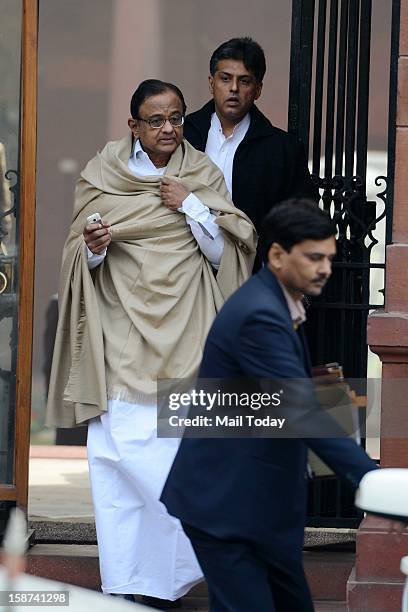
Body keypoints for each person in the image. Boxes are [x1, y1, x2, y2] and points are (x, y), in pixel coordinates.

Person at [46, 79, 256, 609]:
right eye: (156, 120)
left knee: (177, 458)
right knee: (119, 460)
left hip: (187, 328)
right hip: (121, 331)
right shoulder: (104, 173)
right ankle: (129, 578)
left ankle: (173, 579)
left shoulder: (201, 172)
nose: (168, 130)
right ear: (134, 125)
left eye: (177, 118)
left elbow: (225, 252)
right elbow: (81, 255)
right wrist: (94, 249)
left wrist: (191, 205)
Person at [161, 199, 378, 612]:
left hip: (259, 506)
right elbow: (301, 410)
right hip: (226, 507)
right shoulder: (259, 315)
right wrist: (374, 480)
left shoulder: (277, 303)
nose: (325, 269)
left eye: (329, 258)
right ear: (277, 254)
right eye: (314, 258)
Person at [184, 37, 317, 239]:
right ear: (211, 83)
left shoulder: (282, 149)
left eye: (244, 81)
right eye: (225, 78)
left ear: (258, 90)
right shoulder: (183, 133)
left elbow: (301, 219)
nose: (234, 88)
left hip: (252, 264)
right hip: (185, 261)